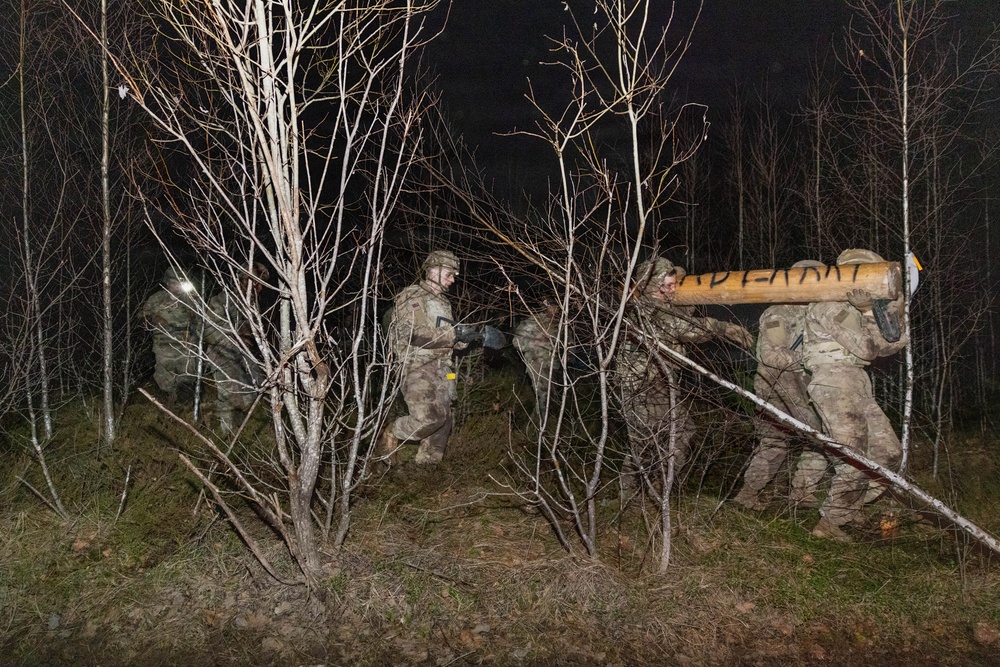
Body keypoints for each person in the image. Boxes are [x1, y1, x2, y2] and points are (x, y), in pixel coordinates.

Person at [616, 256, 754, 487]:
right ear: (653, 287)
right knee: (646, 440)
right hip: (642, 386)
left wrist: (679, 278)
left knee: (674, 433)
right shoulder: (649, 309)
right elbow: (687, 327)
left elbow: (681, 314)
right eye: (668, 286)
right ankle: (638, 493)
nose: (673, 290)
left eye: (675, 285)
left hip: (657, 383)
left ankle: (658, 486)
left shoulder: (659, 305)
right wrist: (724, 328)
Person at [803, 248, 907, 542]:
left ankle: (850, 507)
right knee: (855, 454)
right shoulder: (829, 305)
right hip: (833, 382)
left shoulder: (857, 309)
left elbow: (889, 347)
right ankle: (829, 523)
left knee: (888, 454)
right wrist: (866, 313)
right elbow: (866, 349)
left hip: (857, 381)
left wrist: (894, 318)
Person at [732, 260, 828, 511]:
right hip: (775, 385)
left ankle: (802, 493)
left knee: (818, 437)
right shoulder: (778, 313)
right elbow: (770, 357)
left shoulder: (815, 313)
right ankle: (749, 494)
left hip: (803, 386)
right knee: (778, 442)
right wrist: (812, 357)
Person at [378, 250, 477, 465]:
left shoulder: (443, 303)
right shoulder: (413, 296)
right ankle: (393, 431)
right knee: (429, 418)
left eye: (453, 276)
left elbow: (446, 336)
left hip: (444, 368)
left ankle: (426, 470)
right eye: (449, 274)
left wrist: (469, 337)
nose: (452, 280)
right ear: (433, 270)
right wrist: (455, 334)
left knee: (444, 422)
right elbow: (415, 333)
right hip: (418, 366)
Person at [204, 264, 268, 433]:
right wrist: (234, 337)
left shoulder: (253, 305)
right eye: (254, 282)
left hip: (246, 355)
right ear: (242, 280)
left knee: (258, 389)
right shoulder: (224, 299)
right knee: (231, 395)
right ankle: (226, 434)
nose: (259, 287)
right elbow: (207, 328)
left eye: (261, 283)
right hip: (222, 352)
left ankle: (239, 428)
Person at [141, 266, 199, 405]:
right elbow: (142, 316)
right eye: (174, 283)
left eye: (181, 283)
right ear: (167, 283)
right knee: (164, 383)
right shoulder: (157, 299)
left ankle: (185, 411)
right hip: (164, 349)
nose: (178, 286)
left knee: (186, 382)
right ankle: (168, 409)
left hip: (186, 348)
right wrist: (155, 318)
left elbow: (201, 321)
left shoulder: (191, 300)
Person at [513, 298, 563, 422]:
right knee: (543, 394)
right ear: (546, 306)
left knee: (552, 397)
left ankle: (546, 425)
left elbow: (567, 345)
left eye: (557, 306)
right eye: (552, 306)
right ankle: (539, 425)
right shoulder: (534, 321)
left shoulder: (560, 323)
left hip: (554, 366)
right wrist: (535, 345)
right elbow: (516, 342)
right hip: (536, 363)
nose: (555, 309)